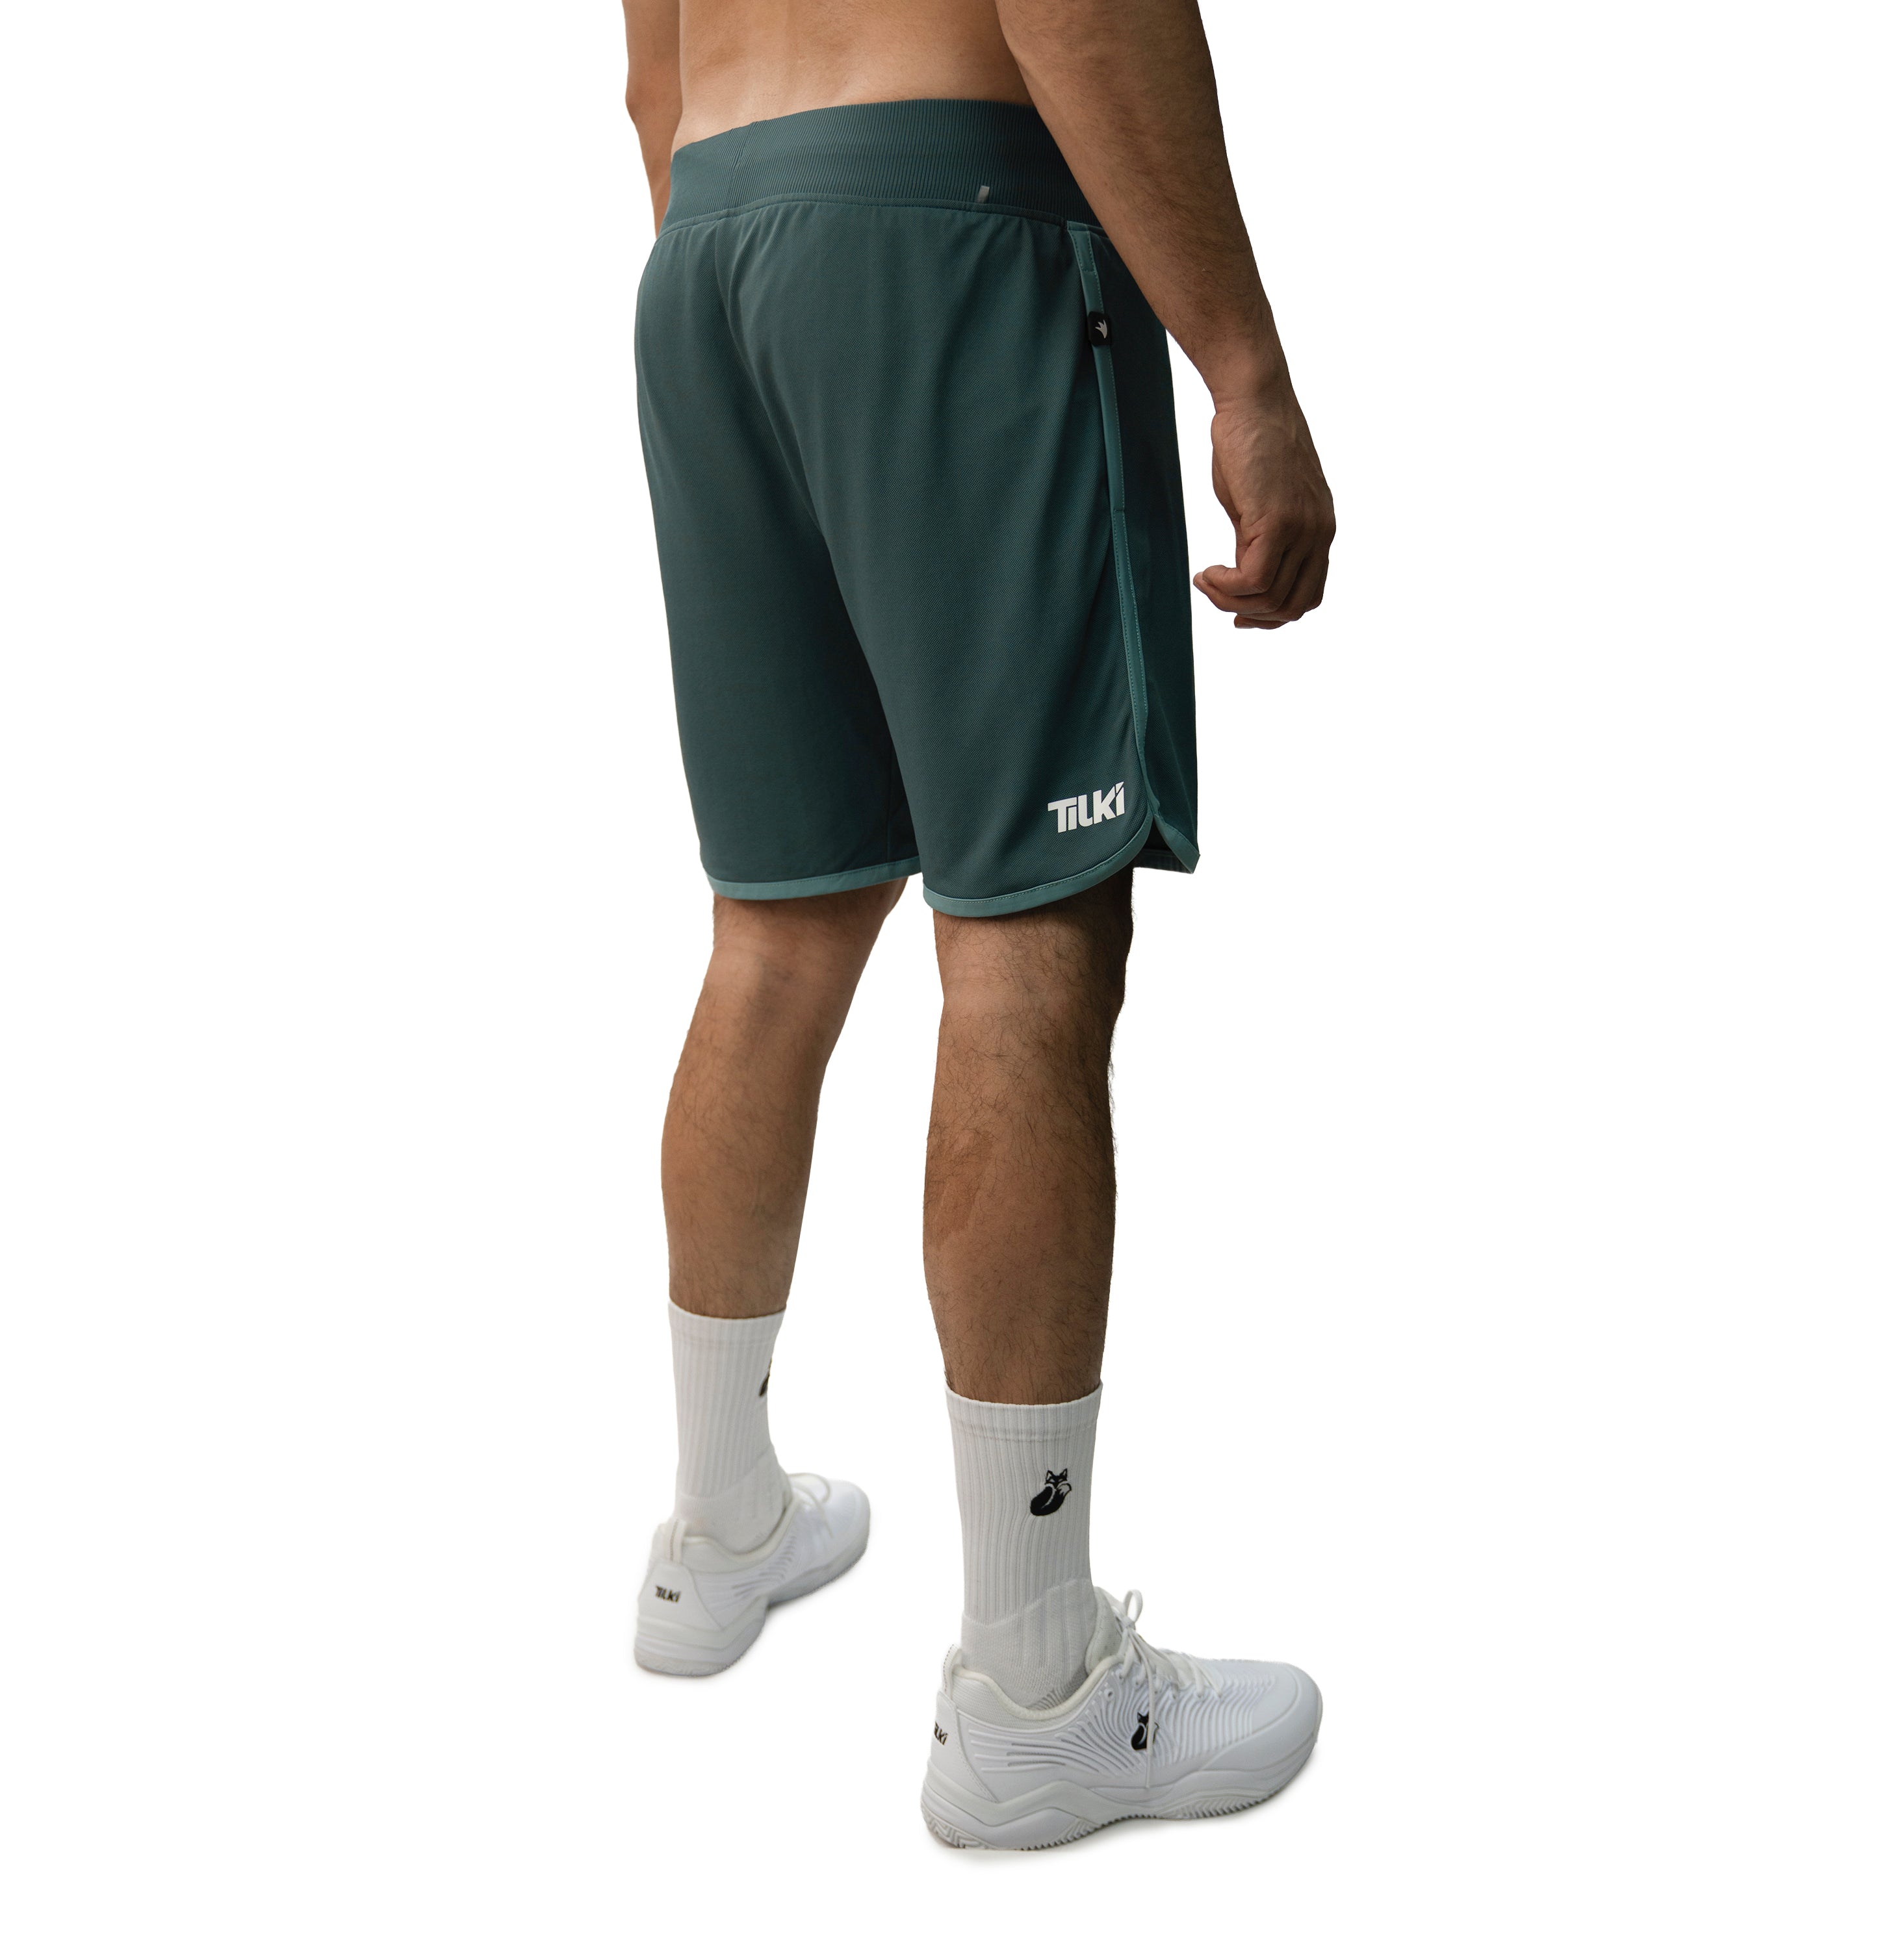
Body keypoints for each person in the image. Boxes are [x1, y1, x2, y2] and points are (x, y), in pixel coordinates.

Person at [623, 0, 1335, 1849]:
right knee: (1028, 930)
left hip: (712, 246)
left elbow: (647, 72)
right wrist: (1245, 371)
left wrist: (774, 284)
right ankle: (1039, 1698)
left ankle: (718, 1533)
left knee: (777, 926)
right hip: (951, 229)